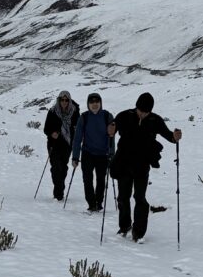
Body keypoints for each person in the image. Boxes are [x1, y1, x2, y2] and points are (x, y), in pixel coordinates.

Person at [107, 92, 182, 243]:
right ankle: (124, 226)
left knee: (139, 198)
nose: (142, 114)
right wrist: (111, 130)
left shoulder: (155, 120)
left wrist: (175, 137)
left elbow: (169, 136)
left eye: (146, 112)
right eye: (140, 111)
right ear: (136, 107)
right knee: (123, 197)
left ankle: (138, 232)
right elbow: (112, 129)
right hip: (123, 162)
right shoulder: (124, 115)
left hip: (142, 165)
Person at [71, 92, 114, 212]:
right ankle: (91, 203)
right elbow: (77, 139)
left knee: (101, 180)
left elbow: (112, 138)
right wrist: (75, 157)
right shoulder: (84, 117)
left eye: (97, 102)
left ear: (100, 103)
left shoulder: (107, 116)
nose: (94, 104)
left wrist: (112, 155)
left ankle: (98, 202)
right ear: (88, 104)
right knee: (87, 179)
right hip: (87, 153)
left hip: (103, 154)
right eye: (92, 102)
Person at [43, 90, 80, 201]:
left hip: (67, 144)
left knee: (63, 167)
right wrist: (51, 133)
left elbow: (78, 127)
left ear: (69, 101)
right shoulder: (52, 111)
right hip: (53, 144)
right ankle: (58, 193)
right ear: (59, 100)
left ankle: (60, 187)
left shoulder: (74, 112)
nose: (64, 102)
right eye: (62, 100)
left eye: (66, 100)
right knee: (55, 167)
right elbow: (46, 129)